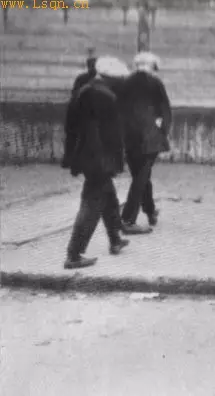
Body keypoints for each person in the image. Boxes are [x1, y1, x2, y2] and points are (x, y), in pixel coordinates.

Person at [61, 56, 131, 269]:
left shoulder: (84, 90)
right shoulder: (105, 96)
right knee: (91, 204)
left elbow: (70, 126)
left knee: (108, 196)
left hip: (88, 156)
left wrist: (70, 157)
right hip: (100, 158)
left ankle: (115, 239)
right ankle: (74, 254)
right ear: (111, 79)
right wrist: (117, 162)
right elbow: (113, 135)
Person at [119, 52, 172, 234]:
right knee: (141, 178)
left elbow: (119, 108)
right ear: (152, 66)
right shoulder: (155, 83)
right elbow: (165, 109)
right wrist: (162, 131)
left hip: (130, 137)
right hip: (150, 138)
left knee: (141, 176)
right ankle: (127, 219)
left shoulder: (125, 83)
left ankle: (150, 211)